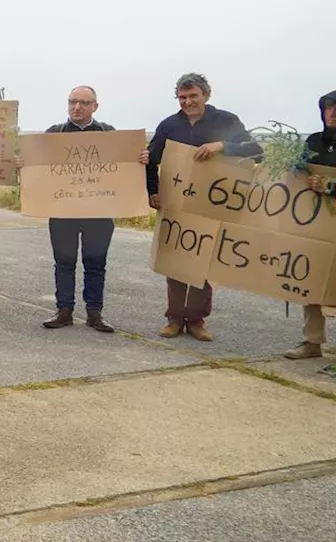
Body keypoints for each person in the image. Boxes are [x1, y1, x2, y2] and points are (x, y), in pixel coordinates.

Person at [15, 86, 149, 333]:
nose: (77, 107)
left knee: (96, 262)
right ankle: (64, 310)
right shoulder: (53, 134)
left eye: (84, 103)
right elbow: (36, 167)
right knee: (64, 261)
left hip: (99, 211)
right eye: (73, 102)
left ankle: (94, 313)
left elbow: (126, 164)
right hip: (63, 210)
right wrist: (23, 163)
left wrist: (140, 158)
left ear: (95, 107)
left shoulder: (108, 134)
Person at [147, 72, 261, 341]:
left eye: (193, 96)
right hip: (176, 204)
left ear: (206, 94)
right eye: (182, 97)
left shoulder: (226, 120)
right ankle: (174, 318)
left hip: (212, 206)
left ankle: (197, 320)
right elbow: (150, 160)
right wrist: (152, 191)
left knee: (203, 264)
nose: (187, 101)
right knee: (174, 262)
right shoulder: (168, 125)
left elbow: (256, 151)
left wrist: (222, 146)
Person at [283, 90, 335, 360]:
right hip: (317, 224)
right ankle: (312, 342)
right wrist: (292, 168)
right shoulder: (315, 141)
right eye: (328, 107)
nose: (333, 113)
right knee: (312, 281)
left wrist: (330, 186)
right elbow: (298, 169)